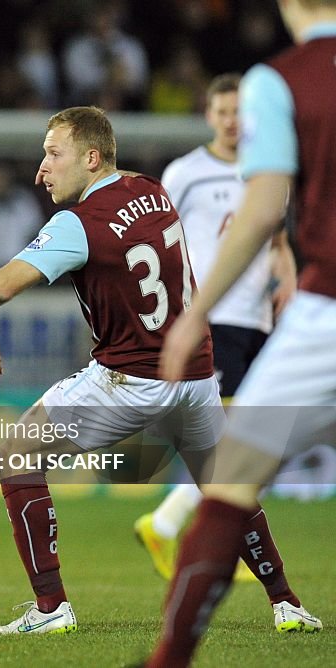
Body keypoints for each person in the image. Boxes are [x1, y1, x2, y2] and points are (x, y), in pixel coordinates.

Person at [0, 105, 316, 636]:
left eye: (53, 154)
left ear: (92, 158)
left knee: (14, 455)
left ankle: (51, 609)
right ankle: (287, 604)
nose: (41, 169)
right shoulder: (154, 189)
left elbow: (1, 285)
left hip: (130, 381)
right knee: (227, 487)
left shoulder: (77, 224)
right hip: (194, 377)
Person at [150, 1, 335, 664]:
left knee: (230, 480)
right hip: (291, 309)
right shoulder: (188, 172)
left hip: (323, 309)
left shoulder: (280, 79)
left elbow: (264, 213)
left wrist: (190, 315)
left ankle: (168, 658)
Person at [133, 72, 298, 583]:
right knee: (241, 439)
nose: (231, 122)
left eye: (239, 113)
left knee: (263, 433)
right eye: (222, 112)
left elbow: (275, 238)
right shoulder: (187, 172)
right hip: (212, 318)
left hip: (256, 316)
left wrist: (287, 272)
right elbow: (155, 235)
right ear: (208, 115)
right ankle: (190, 528)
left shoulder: (267, 169)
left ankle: (171, 523)